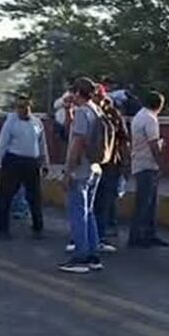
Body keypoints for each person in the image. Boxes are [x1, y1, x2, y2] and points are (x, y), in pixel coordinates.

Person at [59, 78, 111, 274]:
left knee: (77, 214)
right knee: (88, 212)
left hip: (80, 169)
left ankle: (80, 256)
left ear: (78, 92)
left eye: (72, 91)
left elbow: (78, 142)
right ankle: (93, 254)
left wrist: (68, 171)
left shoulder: (82, 112)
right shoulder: (95, 109)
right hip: (95, 166)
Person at [0, 96, 50, 240]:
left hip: (32, 162)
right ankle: (3, 229)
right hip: (14, 160)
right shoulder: (10, 122)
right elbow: (3, 143)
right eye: (19, 107)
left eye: (25, 106)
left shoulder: (37, 122)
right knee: (6, 196)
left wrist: (45, 163)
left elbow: (42, 144)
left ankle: (38, 227)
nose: (22, 109)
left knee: (35, 196)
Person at [128, 91, 168, 248]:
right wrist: (161, 163)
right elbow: (153, 144)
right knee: (145, 202)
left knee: (148, 202)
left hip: (139, 161)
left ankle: (147, 233)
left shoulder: (139, 116)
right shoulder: (151, 119)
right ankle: (138, 235)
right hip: (147, 164)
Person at [93, 87, 130, 249]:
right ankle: (94, 235)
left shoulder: (112, 115)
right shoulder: (91, 113)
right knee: (95, 202)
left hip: (109, 163)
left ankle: (99, 235)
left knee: (103, 201)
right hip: (98, 162)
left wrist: (125, 163)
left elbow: (124, 140)